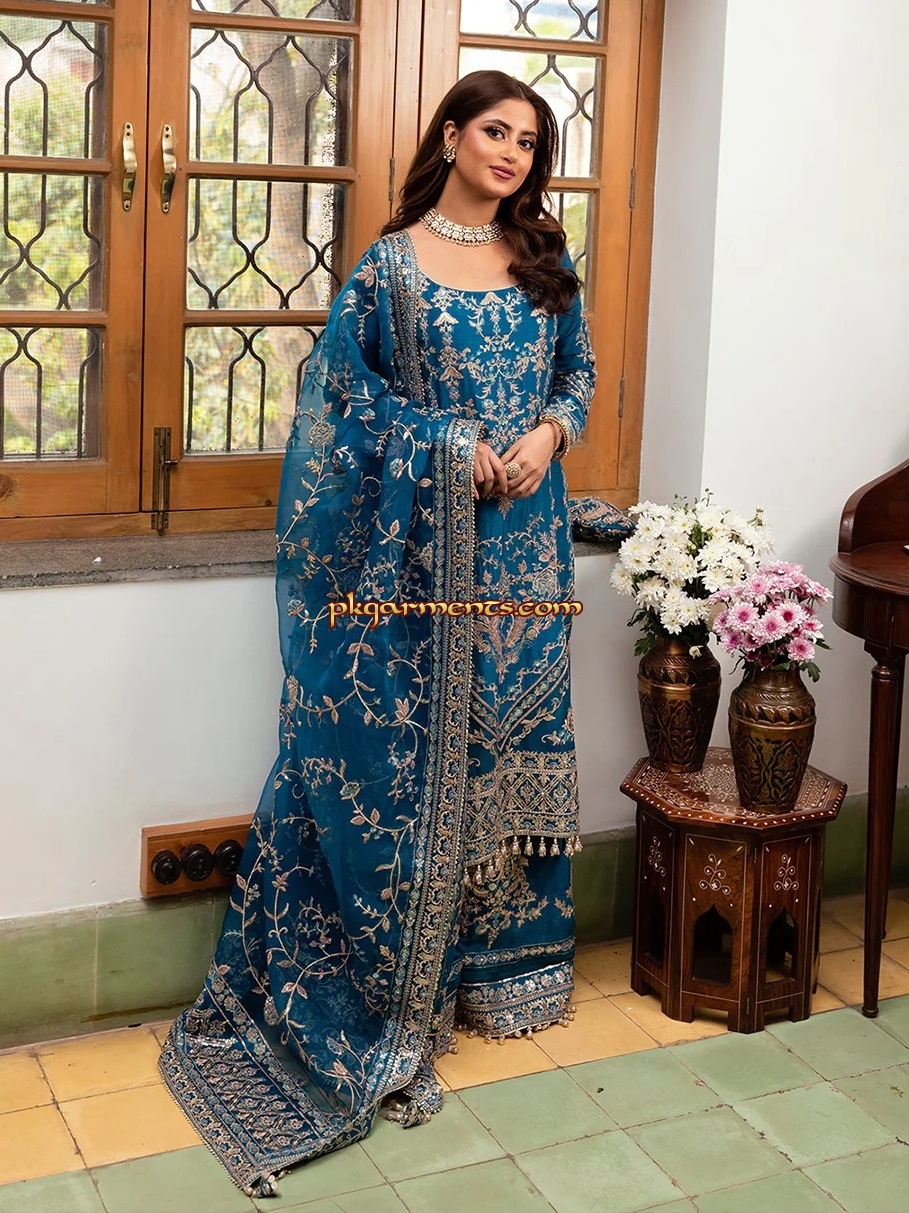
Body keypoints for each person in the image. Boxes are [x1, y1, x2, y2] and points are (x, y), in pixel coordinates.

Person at [160, 69, 596, 1198]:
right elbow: (342, 401)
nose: (511, 153)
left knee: (510, 745)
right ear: (450, 136)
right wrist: (450, 446)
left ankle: (505, 975)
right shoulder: (390, 268)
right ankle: (409, 993)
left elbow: (578, 376)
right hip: (416, 569)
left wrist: (549, 436)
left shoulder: (545, 257)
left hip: (527, 549)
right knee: (410, 762)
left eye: (529, 141)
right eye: (494, 130)